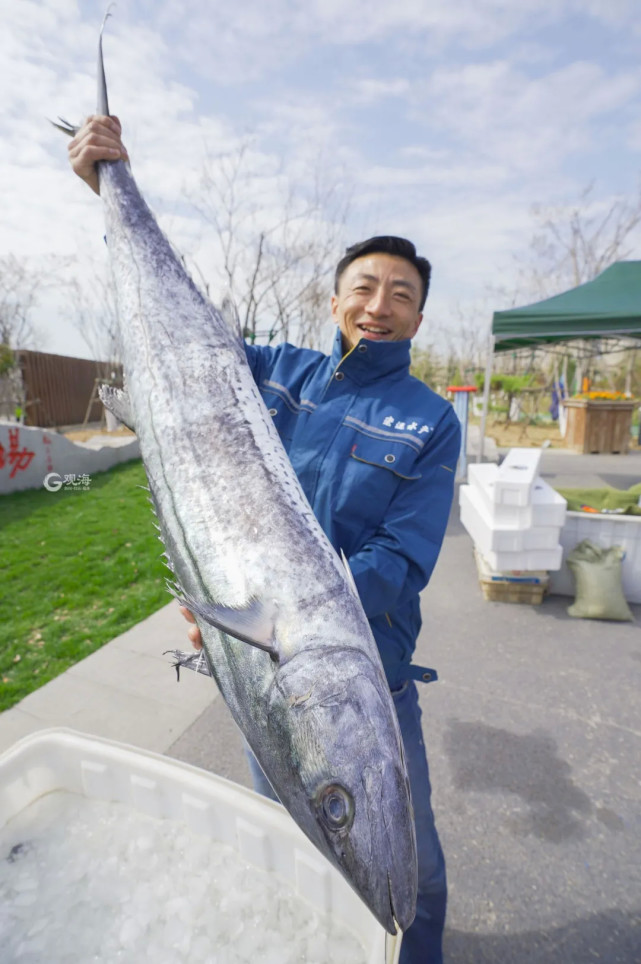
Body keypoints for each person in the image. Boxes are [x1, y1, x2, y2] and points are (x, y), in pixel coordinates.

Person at [69, 116, 462, 964]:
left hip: (366, 680)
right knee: (296, 848)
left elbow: (401, 561)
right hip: (271, 681)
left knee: (416, 877)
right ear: (334, 301)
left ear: (420, 317)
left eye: (400, 294)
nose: (379, 305)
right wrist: (111, 187)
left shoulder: (430, 421)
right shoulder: (274, 369)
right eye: (364, 287)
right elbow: (174, 340)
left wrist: (271, 619)